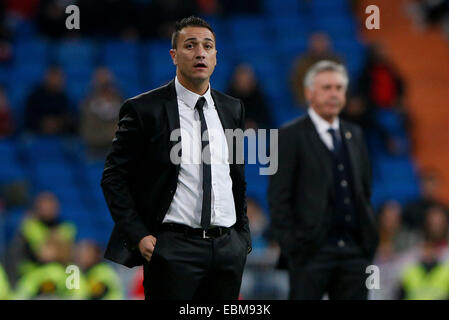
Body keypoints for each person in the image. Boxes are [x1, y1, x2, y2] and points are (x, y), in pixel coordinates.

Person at [101, 16, 251, 300]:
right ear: (174, 55)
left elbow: (235, 176)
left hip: (227, 250)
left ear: (216, 57)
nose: (200, 53)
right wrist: (139, 236)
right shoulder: (144, 109)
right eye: (190, 45)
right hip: (172, 249)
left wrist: (241, 236)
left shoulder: (233, 109)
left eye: (208, 46)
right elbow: (113, 178)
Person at [268, 60, 379, 300]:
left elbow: (364, 190)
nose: (334, 94)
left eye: (339, 88)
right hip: (310, 252)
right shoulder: (288, 136)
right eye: (326, 87)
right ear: (309, 93)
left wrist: (367, 242)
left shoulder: (355, 134)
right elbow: (278, 198)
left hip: (354, 251)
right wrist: (293, 247)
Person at [6, 192, 76, 285]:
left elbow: (69, 256)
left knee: (75, 282)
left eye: (51, 205)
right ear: (37, 207)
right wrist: (58, 247)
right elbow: (45, 255)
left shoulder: (67, 227)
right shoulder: (30, 226)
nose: (48, 208)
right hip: (31, 275)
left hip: (62, 273)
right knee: (53, 273)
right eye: (44, 205)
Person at [396, 205, 449, 300]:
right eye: (432, 224)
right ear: (425, 225)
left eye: (439, 224)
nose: (436, 228)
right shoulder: (410, 257)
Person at [80, 67, 123, 159]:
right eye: (102, 86)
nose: (106, 90)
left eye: (107, 85)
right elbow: (88, 133)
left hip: (116, 149)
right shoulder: (87, 106)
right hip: (94, 149)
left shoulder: (122, 106)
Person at [290, 32, 342, 106]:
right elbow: (296, 83)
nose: (320, 45)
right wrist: (306, 100)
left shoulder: (336, 61)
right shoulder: (302, 63)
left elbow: (342, 83)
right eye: (317, 43)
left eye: (322, 42)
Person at [24, 66, 75, 135]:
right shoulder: (35, 96)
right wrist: (43, 123)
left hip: (58, 132)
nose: (55, 81)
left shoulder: (64, 97)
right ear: (46, 78)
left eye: (58, 77)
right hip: (36, 132)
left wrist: (57, 123)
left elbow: (68, 118)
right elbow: (28, 117)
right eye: (53, 77)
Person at [226, 63, 273, 130]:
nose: (244, 83)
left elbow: (268, 123)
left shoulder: (260, 99)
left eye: (247, 79)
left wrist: (256, 125)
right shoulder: (226, 100)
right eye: (241, 79)